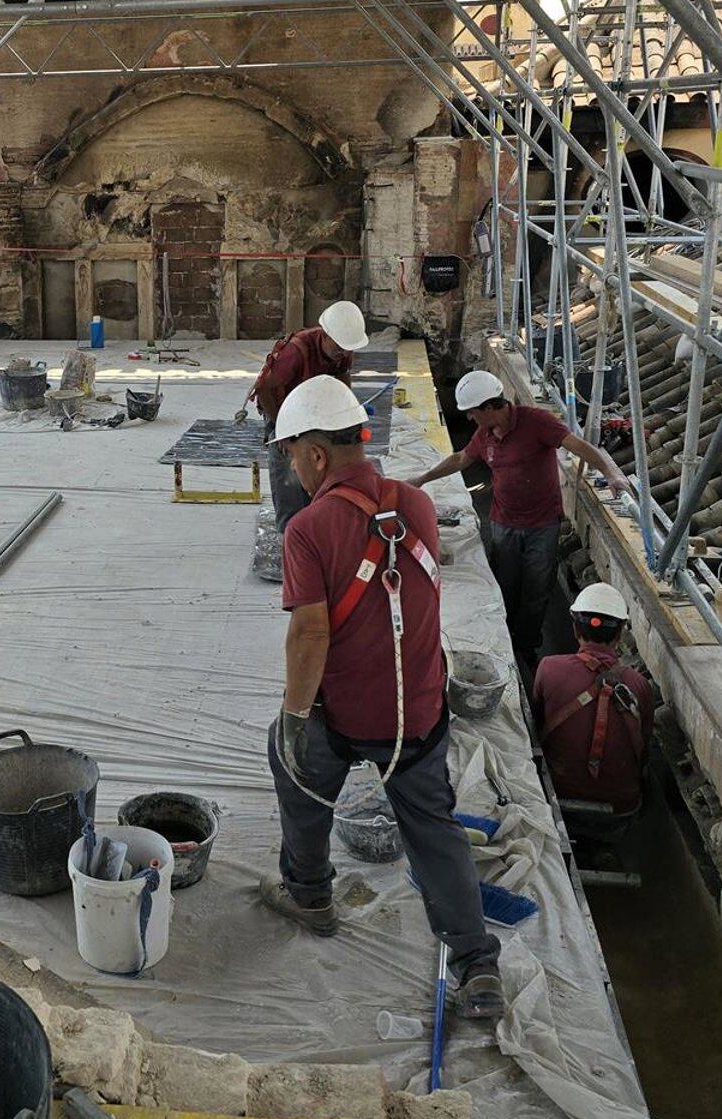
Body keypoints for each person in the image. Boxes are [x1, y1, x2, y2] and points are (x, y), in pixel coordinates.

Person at [259, 375, 505, 1020]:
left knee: (295, 770)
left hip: (342, 716)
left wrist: (293, 716)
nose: (292, 469)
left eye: (291, 455)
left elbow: (311, 632)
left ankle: (310, 894)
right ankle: (477, 963)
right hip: (418, 713)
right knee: (435, 829)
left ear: (315, 454)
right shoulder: (414, 505)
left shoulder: (309, 530)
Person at [415, 371, 629, 669]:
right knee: (503, 583)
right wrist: (423, 478)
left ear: (490, 408)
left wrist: (611, 472)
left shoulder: (536, 422)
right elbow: (461, 459)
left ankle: (526, 646)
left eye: (473, 413)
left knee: (536, 588)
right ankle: (504, 642)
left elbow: (576, 445)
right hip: (503, 522)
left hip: (542, 525)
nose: (470, 419)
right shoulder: (485, 434)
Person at [236, 301, 370, 531]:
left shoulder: (342, 350)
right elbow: (265, 389)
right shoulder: (296, 352)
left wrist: (347, 414)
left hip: (312, 409)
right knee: (288, 470)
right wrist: (281, 429)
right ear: (325, 336)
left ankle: (316, 524)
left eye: (347, 348)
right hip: (280, 408)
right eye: (339, 347)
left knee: (320, 466)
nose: (344, 352)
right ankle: (289, 530)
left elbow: (342, 381)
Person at [532, 583, 654, 826]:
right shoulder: (640, 686)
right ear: (619, 634)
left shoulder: (549, 668)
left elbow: (535, 727)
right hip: (620, 809)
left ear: (575, 628)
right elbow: (643, 749)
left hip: (556, 794)